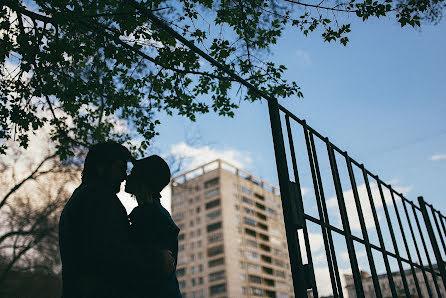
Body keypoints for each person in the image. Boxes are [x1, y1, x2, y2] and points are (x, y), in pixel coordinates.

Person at [59, 142, 175, 298]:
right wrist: (157, 259)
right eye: (120, 168)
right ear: (101, 168)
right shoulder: (98, 198)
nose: (124, 176)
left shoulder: (87, 196)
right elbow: (110, 251)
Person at [125, 155, 182, 298]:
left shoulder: (150, 215)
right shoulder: (152, 212)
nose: (127, 178)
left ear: (143, 181)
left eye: (133, 174)